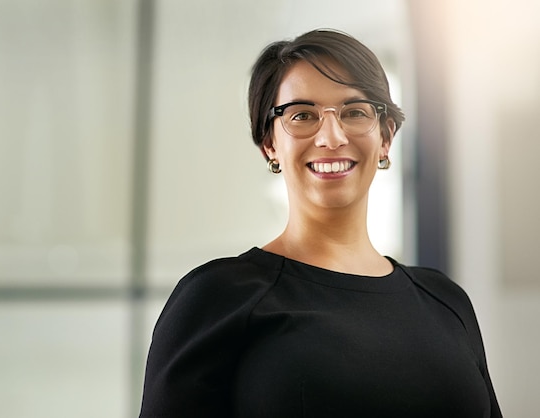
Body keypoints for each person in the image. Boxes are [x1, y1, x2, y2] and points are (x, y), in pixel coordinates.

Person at [139, 28, 502, 417]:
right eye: (302, 115)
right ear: (270, 145)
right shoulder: (218, 298)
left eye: (355, 112)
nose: (331, 136)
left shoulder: (445, 302)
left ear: (386, 138)